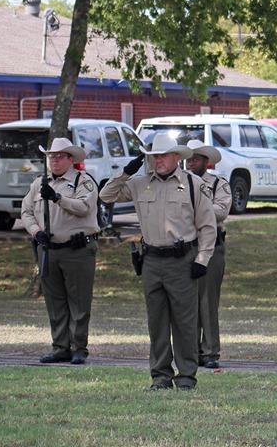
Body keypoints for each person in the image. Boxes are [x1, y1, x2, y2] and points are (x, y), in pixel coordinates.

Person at [99, 134, 217, 391]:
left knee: (185, 322)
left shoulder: (192, 184)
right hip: (151, 259)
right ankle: (160, 376)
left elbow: (207, 225)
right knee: (157, 321)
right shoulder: (140, 183)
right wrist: (125, 173)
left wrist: (203, 258)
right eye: (154, 156)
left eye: (163, 155)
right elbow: (106, 196)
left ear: (177, 157)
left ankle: (186, 376)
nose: (158, 161)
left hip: (182, 260)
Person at [21, 138, 100, 365]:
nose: (54, 160)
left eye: (59, 156)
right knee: (54, 301)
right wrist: (36, 232)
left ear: (71, 159)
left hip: (77, 249)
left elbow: (84, 207)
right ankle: (60, 347)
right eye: (51, 156)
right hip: (49, 248)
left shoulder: (83, 182)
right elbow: (26, 211)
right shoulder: (39, 184)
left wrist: (57, 198)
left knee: (78, 301)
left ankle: (78, 347)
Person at [185, 139, 232, 369]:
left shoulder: (217, 184)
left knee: (208, 300)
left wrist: (195, 208)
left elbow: (221, 212)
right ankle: (191, 349)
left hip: (212, 246)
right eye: (189, 158)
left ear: (206, 161)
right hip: (186, 246)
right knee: (188, 300)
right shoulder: (180, 182)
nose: (191, 162)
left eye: (196, 158)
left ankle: (211, 350)